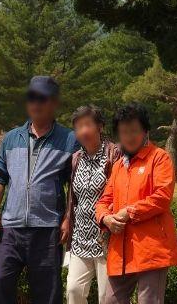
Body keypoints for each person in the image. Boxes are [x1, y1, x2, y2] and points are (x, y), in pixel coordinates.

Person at [0, 76, 80, 304]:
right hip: (11, 229)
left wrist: (68, 218)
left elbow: (73, 184)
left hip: (47, 230)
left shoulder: (69, 140)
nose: (36, 103)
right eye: (32, 97)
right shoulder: (11, 138)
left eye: (43, 98)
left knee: (47, 294)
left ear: (54, 103)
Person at [94, 103, 177, 304]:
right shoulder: (118, 166)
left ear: (145, 132)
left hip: (152, 248)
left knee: (148, 300)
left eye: (134, 131)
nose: (129, 137)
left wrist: (128, 213)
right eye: (124, 132)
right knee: (110, 301)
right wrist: (105, 217)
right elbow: (104, 201)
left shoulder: (159, 158)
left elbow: (162, 196)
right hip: (121, 249)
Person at [62, 105, 121, 304]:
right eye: (78, 127)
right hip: (81, 237)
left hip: (107, 239)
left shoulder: (115, 154)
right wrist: (67, 220)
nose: (83, 131)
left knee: (107, 297)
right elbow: (73, 198)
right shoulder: (76, 159)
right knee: (73, 291)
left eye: (87, 125)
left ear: (100, 127)